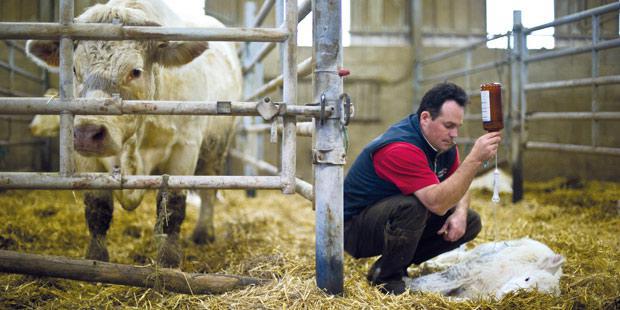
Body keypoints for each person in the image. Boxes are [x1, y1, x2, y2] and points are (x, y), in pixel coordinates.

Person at [343, 82, 502, 295]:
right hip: (352, 230)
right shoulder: (401, 148)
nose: (454, 134)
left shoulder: (442, 144)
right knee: (413, 207)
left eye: (458, 127)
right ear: (425, 118)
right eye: (448, 126)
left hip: (387, 220)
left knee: (471, 220)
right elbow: (436, 203)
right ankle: (386, 276)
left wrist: (461, 213)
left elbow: (457, 184)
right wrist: (473, 160)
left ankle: (395, 263)